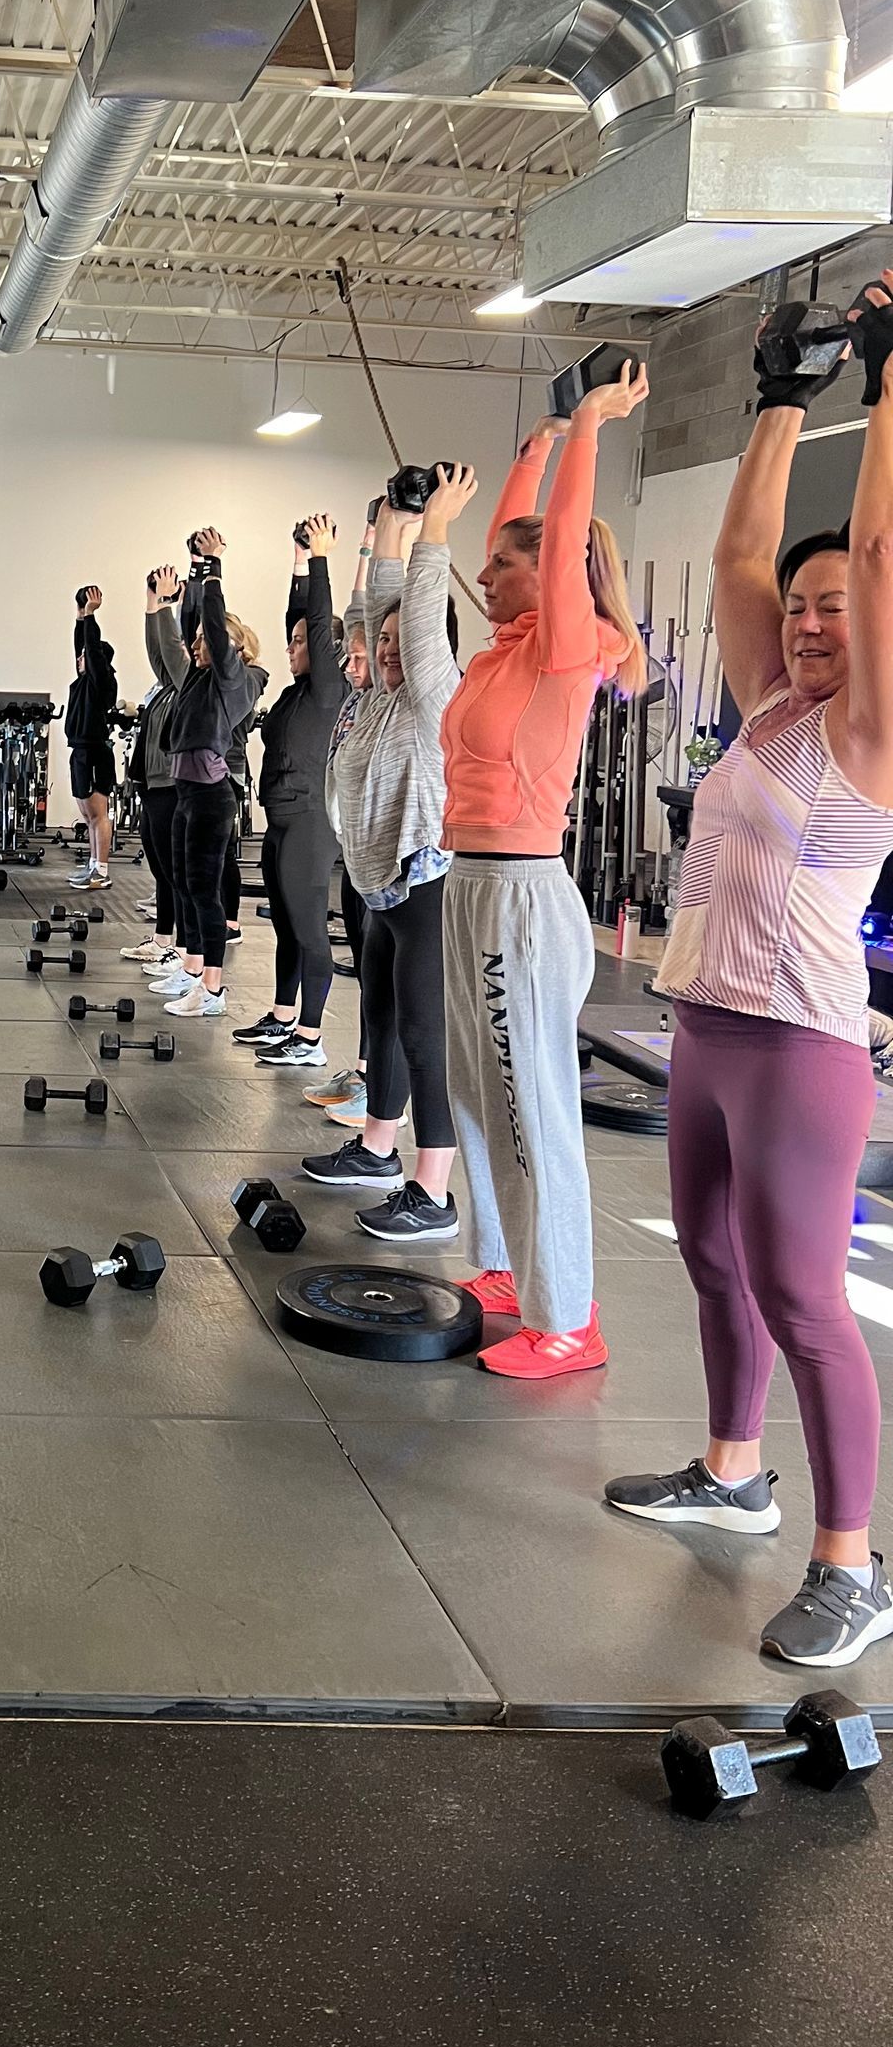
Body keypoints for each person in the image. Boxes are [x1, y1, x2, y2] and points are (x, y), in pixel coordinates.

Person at [605, 287, 893, 1665]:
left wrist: (888, 390)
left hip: (803, 1052)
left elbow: (880, 559)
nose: (810, 621)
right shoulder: (772, 704)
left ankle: (853, 1563)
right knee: (715, 1268)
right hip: (708, 1033)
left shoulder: (871, 740)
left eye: (832, 607)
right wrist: (778, 398)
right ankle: (734, 1472)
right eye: (801, 607)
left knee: (804, 1298)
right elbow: (737, 557)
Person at [431, 371, 649, 1377]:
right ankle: (512, 1269)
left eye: (502, 570)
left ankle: (570, 1317)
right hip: (469, 885)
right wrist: (537, 442)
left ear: (548, 578)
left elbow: (555, 543)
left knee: (532, 1108)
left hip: (522, 897)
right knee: (477, 1093)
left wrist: (590, 433)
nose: (488, 580)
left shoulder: (565, 655)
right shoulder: (501, 655)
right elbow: (523, 532)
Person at [305, 486, 463, 1241]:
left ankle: (433, 1192)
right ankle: (377, 1148)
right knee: (382, 1018)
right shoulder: (378, 699)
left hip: (424, 883)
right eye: (383, 645)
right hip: (380, 889)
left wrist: (433, 527)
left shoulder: (434, 696)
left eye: (404, 646)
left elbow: (417, 616)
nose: (390, 652)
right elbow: (379, 611)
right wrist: (387, 529)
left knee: (424, 1038)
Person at [235, 514, 344, 1066]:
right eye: (293, 641)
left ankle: (311, 1038)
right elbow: (297, 617)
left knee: (308, 930)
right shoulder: (296, 692)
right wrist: (298, 560)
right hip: (279, 821)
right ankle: (283, 1018)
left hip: (309, 822)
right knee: (284, 926)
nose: (292, 647)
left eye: (301, 643)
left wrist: (322, 558)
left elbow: (318, 624)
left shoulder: (328, 689)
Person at [154, 530, 253, 1019]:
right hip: (187, 794)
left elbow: (210, 624)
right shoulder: (198, 673)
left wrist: (215, 571)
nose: (196, 645)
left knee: (205, 892)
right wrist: (194, 568)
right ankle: (192, 969)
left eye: (205, 643)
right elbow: (194, 620)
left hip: (212, 798)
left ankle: (212, 989)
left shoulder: (232, 679)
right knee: (184, 884)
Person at [314, 521, 377, 1132]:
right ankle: (363, 1072)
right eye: (352, 654)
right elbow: (361, 615)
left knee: (388, 990)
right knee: (364, 970)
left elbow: (370, 605)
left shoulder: (389, 696)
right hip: (355, 857)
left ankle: (381, 1091)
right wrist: (370, 531)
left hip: (388, 865)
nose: (354, 662)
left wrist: (379, 540)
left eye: (363, 655)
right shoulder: (357, 696)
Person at [126, 570, 187, 971]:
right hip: (153, 786)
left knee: (173, 870)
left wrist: (169, 605)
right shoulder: (166, 685)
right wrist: (152, 603)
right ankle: (163, 938)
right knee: (161, 869)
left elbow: (171, 646)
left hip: (172, 786)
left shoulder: (192, 682)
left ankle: (181, 948)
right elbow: (158, 651)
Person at [65, 586, 118, 893]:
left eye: (86, 655)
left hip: (95, 751)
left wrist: (91, 616)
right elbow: (80, 646)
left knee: (98, 815)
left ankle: (102, 871)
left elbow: (91, 649)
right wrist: (79, 613)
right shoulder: (83, 679)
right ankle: (93, 866)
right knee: (87, 815)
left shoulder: (101, 680)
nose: (80, 658)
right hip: (81, 751)